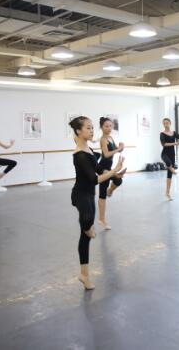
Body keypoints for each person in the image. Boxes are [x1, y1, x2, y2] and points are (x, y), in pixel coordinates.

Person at [69, 116, 125, 290]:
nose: (92, 130)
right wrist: (113, 171)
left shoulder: (89, 150)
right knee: (87, 218)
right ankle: (88, 227)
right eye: (88, 128)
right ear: (78, 131)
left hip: (89, 195)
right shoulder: (79, 155)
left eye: (92, 127)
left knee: (85, 236)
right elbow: (94, 180)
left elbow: (100, 170)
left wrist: (116, 174)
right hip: (79, 194)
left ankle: (84, 275)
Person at [97, 117, 126, 230]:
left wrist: (121, 147)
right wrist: (118, 150)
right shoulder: (103, 139)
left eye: (110, 126)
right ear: (101, 127)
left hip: (109, 167)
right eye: (106, 126)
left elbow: (116, 150)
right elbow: (106, 154)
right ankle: (102, 219)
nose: (109, 128)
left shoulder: (110, 137)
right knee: (102, 194)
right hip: (103, 167)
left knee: (118, 180)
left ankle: (110, 190)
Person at [160, 118, 179, 201]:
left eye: (167, 123)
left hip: (172, 155)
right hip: (164, 154)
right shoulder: (162, 134)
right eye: (164, 123)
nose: (166, 124)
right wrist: (175, 143)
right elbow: (164, 144)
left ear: (170, 123)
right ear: (163, 124)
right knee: (168, 163)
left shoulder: (174, 133)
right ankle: (175, 171)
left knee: (169, 175)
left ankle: (167, 193)